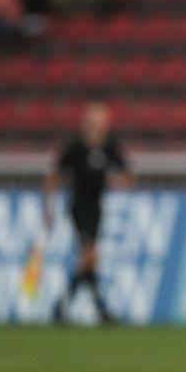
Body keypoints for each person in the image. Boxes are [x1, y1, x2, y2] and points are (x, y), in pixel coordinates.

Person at [44, 102, 133, 323]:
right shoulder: (75, 147)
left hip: (96, 208)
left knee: (89, 260)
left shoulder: (109, 146)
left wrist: (112, 179)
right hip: (78, 207)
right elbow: (55, 174)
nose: (98, 125)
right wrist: (49, 206)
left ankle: (69, 307)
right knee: (89, 256)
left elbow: (128, 176)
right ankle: (95, 308)